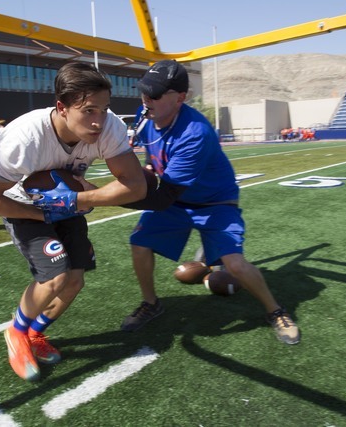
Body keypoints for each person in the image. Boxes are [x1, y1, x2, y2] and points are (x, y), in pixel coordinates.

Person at [0, 61, 147, 381]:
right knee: (54, 277)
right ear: (62, 107)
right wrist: (42, 213)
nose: (98, 122)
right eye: (89, 111)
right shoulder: (23, 138)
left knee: (75, 281)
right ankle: (16, 332)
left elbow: (135, 186)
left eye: (105, 110)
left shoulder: (108, 126)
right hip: (23, 206)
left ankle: (36, 333)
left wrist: (80, 200)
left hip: (69, 205)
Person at [119, 60, 300, 345]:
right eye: (143, 91)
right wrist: (150, 169)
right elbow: (152, 158)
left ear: (181, 97)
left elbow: (163, 197)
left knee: (236, 265)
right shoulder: (146, 116)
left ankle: (275, 310)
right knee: (139, 244)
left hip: (214, 202)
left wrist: (98, 199)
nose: (145, 99)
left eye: (154, 94)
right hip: (178, 200)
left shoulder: (195, 133)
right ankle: (151, 303)